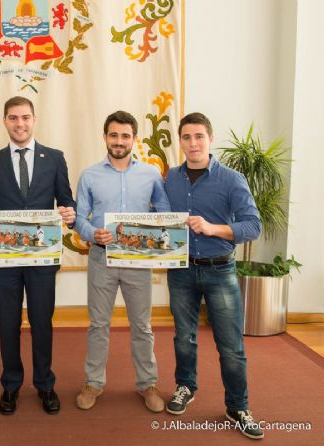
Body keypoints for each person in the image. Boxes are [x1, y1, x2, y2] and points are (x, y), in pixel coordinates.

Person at [0, 96, 76, 415]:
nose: (20, 123)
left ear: (34, 119)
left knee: (42, 323)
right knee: (8, 324)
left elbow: (66, 200)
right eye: (14, 118)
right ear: (5, 121)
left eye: (25, 117)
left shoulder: (54, 158)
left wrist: (69, 213)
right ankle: (11, 385)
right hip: (6, 262)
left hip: (42, 260)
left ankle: (45, 384)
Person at [164, 112, 263, 440]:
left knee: (231, 346)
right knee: (184, 337)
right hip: (181, 270)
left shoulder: (232, 179)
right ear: (180, 141)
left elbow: (253, 225)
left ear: (210, 139)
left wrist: (212, 228)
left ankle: (238, 406)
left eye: (199, 136)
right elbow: (159, 218)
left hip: (220, 270)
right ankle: (185, 386)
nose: (193, 143)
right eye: (187, 137)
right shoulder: (170, 178)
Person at [74, 111, 171, 413]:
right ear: (105, 137)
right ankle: (93, 382)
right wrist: (92, 233)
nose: (119, 141)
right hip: (101, 257)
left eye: (125, 136)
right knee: (98, 324)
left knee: (142, 325)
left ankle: (148, 384)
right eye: (114, 135)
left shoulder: (151, 175)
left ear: (134, 139)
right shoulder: (89, 175)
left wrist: (147, 230)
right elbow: (79, 218)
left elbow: (164, 213)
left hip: (137, 261)